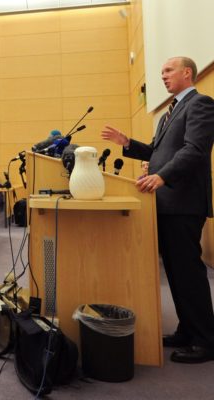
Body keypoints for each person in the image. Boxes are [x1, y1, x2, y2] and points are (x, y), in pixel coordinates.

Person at [101, 56, 214, 364]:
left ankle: (206, 340)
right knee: (176, 273)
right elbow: (156, 151)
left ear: (186, 73)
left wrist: (162, 175)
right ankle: (187, 329)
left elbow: (195, 149)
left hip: (183, 202)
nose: (162, 76)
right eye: (161, 72)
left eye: (168, 71)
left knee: (188, 272)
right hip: (165, 204)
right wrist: (128, 143)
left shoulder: (201, 105)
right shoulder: (168, 114)